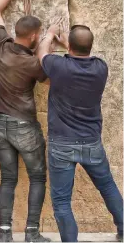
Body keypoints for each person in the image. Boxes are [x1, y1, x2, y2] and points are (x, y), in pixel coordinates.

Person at [37, 23, 123, 242]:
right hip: (91, 142)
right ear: (91, 46)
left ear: (70, 46)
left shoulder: (58, 66)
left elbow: (42, 54)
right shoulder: (101, 68)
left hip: (62, 144)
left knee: (62, 201)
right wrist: (69, 40)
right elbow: (78, 52)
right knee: (108, 187)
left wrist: (49, 35)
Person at [0, 0, 51, 243]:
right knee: (37, 178)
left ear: (17, 33)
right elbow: (47, 79)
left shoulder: (2, 46)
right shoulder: (33, 63)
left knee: (7, 179)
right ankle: (31, 233)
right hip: (24, 126)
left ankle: (5, 235)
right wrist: (47, 43)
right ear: (35, 36)